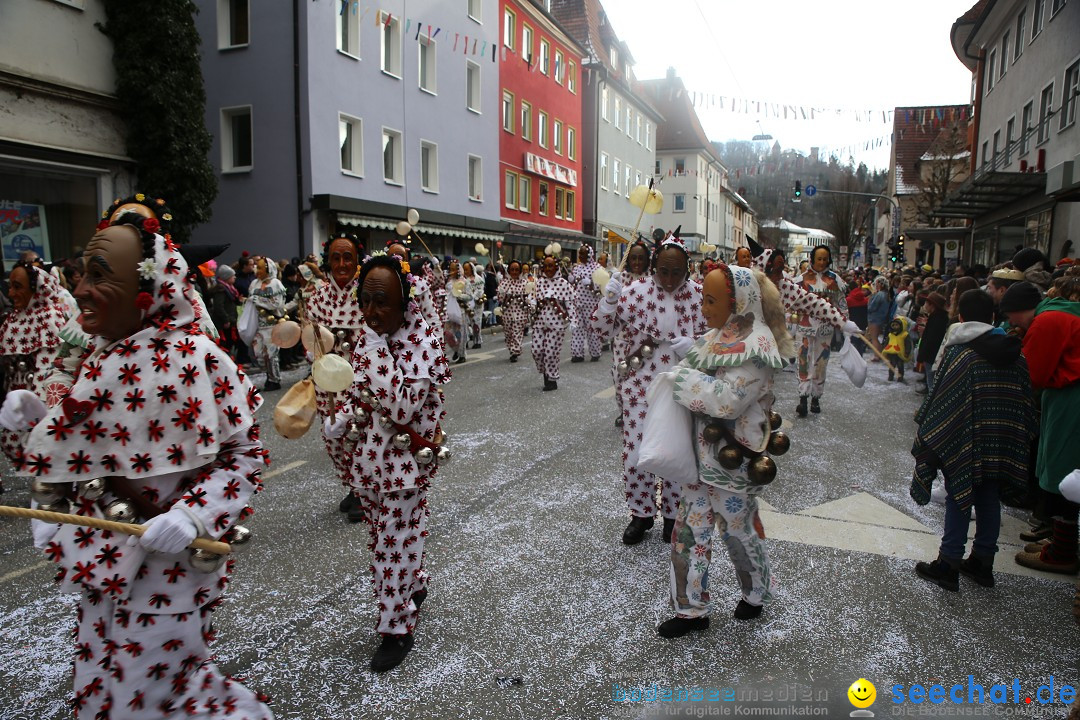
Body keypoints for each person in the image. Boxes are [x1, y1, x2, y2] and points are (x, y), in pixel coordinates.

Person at [1, 218, 272, 717]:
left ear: (147, 289)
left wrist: (193, 515)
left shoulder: (198, 358)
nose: (80, 289)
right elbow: (76, 457)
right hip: (99, 570)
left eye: (99, 276)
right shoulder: (99, 359)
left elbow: (244, 456)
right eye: (81, 274)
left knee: (149, 700)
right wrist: (33, 426)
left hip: (168, 574)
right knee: (99, 690)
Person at [323, 254, 451, 672]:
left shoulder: (424, 342)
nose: (372, 312)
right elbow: (360, 393)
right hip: (369, 463)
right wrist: (339, 422)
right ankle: (414, 586)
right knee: (387, 539)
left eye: (383, 302)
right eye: (366, 301)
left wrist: (377, 352)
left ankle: (396, 629)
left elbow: (401, 405)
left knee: (389, 548)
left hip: (405, 468)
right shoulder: (369, 337)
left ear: (405, 303)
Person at [655, 264, 794, 636]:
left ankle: (755, 593)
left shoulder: (758, 345)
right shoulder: (718, 335)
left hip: (734, 464)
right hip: (699, 462)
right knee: (687, 532)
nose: (703, 307)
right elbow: (701, 368)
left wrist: (682, 377)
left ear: (739, 302)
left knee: (738, 531)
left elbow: (729, 401)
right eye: (703, 298)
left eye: (711, 300)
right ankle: (690, 609)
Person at [911, 290, 1036, 590]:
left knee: (959, 495)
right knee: (990, 499)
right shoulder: (1016, 354)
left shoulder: (961, 354)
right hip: (1002, 440)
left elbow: (941, 402)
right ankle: (983, 562)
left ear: (961, 318)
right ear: (993, 318)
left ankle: (948, 563)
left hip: (966, 440)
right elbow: (1025, 402)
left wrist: (930, 434)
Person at [592, 230, 705, 545]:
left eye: (677, 272)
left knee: (675, 453)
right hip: (639, 386)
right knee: (637, 455)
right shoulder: (635, 292)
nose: (669, 279)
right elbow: (601, 330)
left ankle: (672, 516)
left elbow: (717, 341)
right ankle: (640, 514)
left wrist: (696, 347)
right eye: (663, 271)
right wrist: (609, 300)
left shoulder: (698, 295)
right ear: (654, 266)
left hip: (681, 387)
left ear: (688, 269)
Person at [1012, 278, 1080, 574]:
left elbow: (1032, 374)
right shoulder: (1057, 313)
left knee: (1062, 470)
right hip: (1065, 395)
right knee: (1059, 466)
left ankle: (1062, 551)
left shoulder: (1047, 321)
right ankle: (1058, 538)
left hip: (1071, 397)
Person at [308, 233, 368, 519]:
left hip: (361, 379)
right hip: (327, 380)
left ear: (357, 260)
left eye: (348, 257)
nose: (342, 264)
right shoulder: (318, 295)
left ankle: (362, 490)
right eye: (336, 257)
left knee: (358, 434)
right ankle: (353, 484)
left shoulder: (368, 289)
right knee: (333, 438)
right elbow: (313, 339)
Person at [0, 261, 70, 491]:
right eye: (10, 286)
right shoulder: (11, 319)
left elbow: (51, 366)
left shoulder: (50, 317)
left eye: (17, 286)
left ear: (36, 288)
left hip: (38, 400)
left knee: (43, 452)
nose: (11, 293)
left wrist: (42, 407)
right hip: (14, 398)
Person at [591, 240, 651, 427]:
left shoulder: (653, 280)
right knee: (619, 377)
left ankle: (643, 413)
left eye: (641, 258)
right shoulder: (619, 278)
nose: (636, 262)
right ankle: (623, 412)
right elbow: (608, 309)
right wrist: (609, 296)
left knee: (643, 379)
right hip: (621, 339)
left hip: (645, 341)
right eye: (633, 257)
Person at [792, 246, 848, 416]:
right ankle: (803, 396)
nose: (822, 262)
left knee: (820, 363)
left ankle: (816, 397)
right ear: (812, 259)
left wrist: (846, 322)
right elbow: (791, 301)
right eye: (819, 259)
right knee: (803, 361)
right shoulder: (801, 280)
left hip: (825, 330)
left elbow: (842, 304)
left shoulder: (835, 280)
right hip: (805, 327)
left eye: (825, 259)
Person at [531, 254, 574, 391]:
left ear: (556, 266)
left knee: (550, 353)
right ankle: (546, 373)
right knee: (536, 351)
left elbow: (570, 304)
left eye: (551, 265)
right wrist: (531, 302)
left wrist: (574, 321)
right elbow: (532, 299)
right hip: (539, 323)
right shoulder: (538, 283)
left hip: (557, 324)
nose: (548, 268)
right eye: (546, 266)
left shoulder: (564, 284)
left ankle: (551, 378)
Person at [247, 256, 287, 391]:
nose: (256, 270)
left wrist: (257, 300)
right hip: (258, 325)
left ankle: (274, 380)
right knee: (259, 354)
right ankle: (268, 375)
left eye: (259, 267)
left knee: (271, 354)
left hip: (272, 325)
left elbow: (276, 303)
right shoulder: (254, 284)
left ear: (268, 269)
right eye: (256, 267)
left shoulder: (276, 284)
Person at [568, 245, 603, 363]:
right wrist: (571, 279)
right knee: (577, 329)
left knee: (592, 329)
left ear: (589, 255)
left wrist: (591, 284)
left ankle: (595, 352)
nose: (580, 257)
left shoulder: (597, 268)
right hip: (578, 303)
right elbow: (573, 285)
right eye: (579, 254)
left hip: (591, 304)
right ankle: (577, 354)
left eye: (583, 254)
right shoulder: (577, 268)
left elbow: (601, 289)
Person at [496, 259, 530, 362]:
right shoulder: (504, 282)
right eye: (512, 269)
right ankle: (512, 349)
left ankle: (515, 351)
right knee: (508, 333)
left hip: (520, 312)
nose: (514, 272)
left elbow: (530, 296)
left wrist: (528, 300)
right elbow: (500, 298)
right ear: (509, 271)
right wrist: (501, 293)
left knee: (517, 332)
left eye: (516, 269)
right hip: (507, 313)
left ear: (520, 271)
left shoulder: (525, 282)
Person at [915, 292, 948, 394]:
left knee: (931, 383)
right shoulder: (938, 317)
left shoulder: (937, 319)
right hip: (933, 355)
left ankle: (930, 406)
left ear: (932, 305)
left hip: (931, 356)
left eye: (926, 303)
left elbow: (931, 340)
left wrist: (922, 355)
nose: (924, 305)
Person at [461, 261, 485, 349]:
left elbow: (480, 290)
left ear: (471, 269)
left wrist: (473, 298)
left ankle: (477, 341)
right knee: (465, 323)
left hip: (477, 305)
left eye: (467, 269)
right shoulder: (462, 279)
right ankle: (465, 340)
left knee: (476, 323)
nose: (465, 271)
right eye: (464, 269)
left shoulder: (478, 279)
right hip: (465, 304)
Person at [866, 276, 891, 359]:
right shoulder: (886, 294)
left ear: (880, 284)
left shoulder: (879, 294)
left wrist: (871, 298)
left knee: (874, 338)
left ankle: (877, 355)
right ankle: (880, 354)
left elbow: (871, 307)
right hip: (881, 318)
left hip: (874, 318)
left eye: (876, 283)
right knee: (875, 337)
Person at [882, 316, 913, 383]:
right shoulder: (890, 335)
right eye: (893, 325)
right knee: (891, 366)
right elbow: (886, 342)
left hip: (900, 354)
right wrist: (884, 348)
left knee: (900, 366)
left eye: (897, 325)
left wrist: (907, 352)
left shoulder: (904, 335)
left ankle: (900, 376)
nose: (895, 327)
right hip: (891, 353)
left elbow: (908, 344)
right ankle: (891, 376)